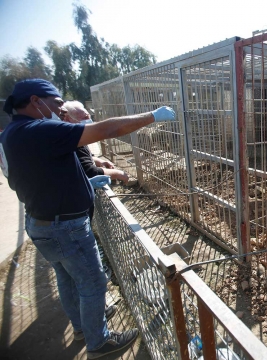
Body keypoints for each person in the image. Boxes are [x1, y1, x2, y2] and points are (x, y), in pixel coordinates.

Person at [0, 79, 175, 359]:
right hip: (65, 226)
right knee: (93, 283)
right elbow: (108, 129)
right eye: (57, 103)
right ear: (35, 101)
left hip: (39, 221)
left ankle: (82, 327)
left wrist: (80, 183)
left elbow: (20, 179)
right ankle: (99, 342)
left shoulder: (10, 133)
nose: (60, 109)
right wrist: (151, 116)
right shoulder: (40, 129)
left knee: (67, 278)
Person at [62, 100, 129, 185]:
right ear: (67, 119)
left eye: (89, 116)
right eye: (84, 118)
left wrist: (97, 160)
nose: (89, 120)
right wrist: (118, 174)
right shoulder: (72, 140)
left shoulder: (73, 136)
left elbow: (78, 158)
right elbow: (90, 172)